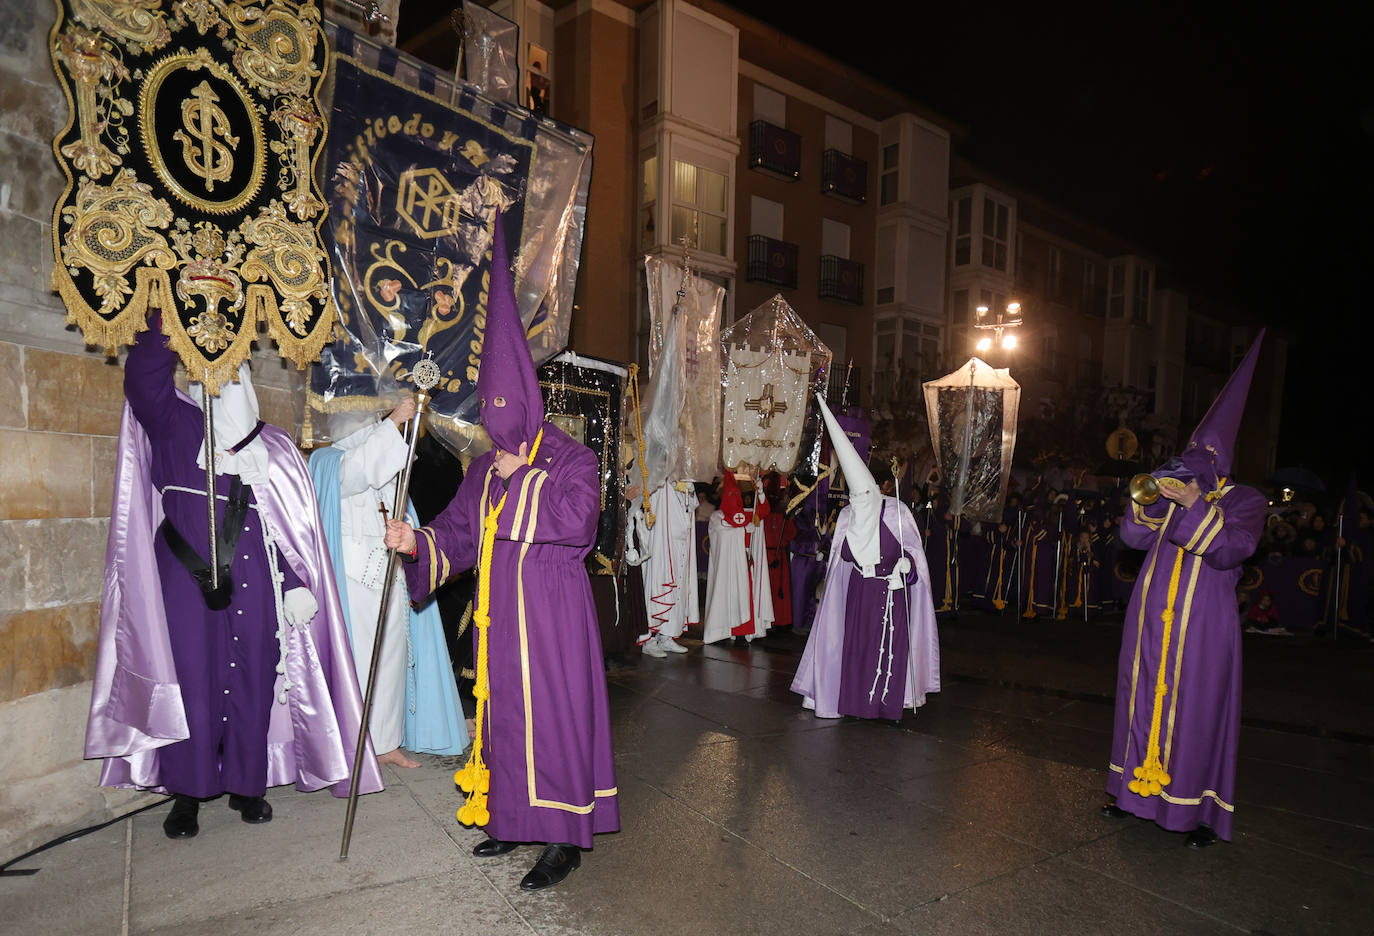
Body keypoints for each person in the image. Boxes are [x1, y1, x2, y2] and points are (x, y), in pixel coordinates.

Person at [383, 212, 618, 890]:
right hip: (499, 620)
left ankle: (561, 838)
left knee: (552, 720)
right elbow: (458, 531)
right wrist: (415, 540)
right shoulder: (487, 465)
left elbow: (578, 523)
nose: (502, 446)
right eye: (494, 430)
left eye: (509, 431)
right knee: (507, 721)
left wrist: (529, 478)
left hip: (551, 615)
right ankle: (510, 819)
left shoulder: (570, 459)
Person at [87, 315, 384, 840]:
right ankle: (188, 793)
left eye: (237, 370)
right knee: (194, 683)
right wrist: (171, 311)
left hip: (256, 580)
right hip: (184, 578)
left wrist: (294, 580)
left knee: (252, 680)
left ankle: (249, 785)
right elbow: (143, 380)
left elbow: (286, 525)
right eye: (217, 371)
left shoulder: (270, 446)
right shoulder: (174, 422)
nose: (228, 382)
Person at [1102, 333, 1268, 849]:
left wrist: (1196, 501)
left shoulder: (1247, 500)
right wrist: (1152, 501)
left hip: (1204, 624)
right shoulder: (1173, 491)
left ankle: (1194, 813)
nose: (1195, 461)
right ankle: (1132, 794)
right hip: (1152, 615)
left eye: (1204, 454)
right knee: (1140, 699)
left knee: (1196, 709)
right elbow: (1131, 537)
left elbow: (1230, 550)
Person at [308, 401, 468, 768]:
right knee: (362, 660)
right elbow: (360, 470)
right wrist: (395, 420)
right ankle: (357, 741)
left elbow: (391, 479)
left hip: (389, 574)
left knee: (393, 659)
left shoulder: (381, 458)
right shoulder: (329, 462)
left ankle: (387, 742)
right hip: (352, 580)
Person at [793, 396, 940, 720]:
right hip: (860, 593)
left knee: (887, 651)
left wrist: (908, 568)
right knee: (857, 649)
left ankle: (887, 706)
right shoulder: (847, 515)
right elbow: (842, 556)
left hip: (891, 594)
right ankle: (854, 703)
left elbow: (915, 556)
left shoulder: (897, 511)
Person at [702, 471, 775, 645]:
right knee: (728, 596)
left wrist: (760, 492)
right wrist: (742, 531)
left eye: (736, 495)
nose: (734, 498)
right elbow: (720, 535)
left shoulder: (748, 514)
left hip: (746, 564)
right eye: (730, 495)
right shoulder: (717, 516)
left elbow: (763, 511)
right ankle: (723, 630)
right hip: (727, 568)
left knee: (745, 597)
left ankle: (743, 633)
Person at [639, 480, 699, 657]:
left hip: (680, 542)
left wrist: (688, 491)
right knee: (658, 582)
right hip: (661, 541)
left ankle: (667, 635)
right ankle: (649, 639)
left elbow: (692, 506)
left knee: (677, 589)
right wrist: (669, 483)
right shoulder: (657, 476)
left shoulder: (682, 478)